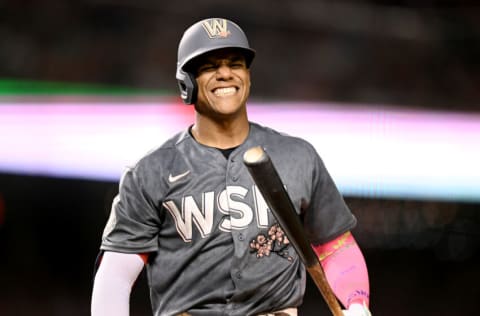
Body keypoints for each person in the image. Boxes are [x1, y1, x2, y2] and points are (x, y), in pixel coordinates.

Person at [91, 18, 371, 316]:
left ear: (248, 76)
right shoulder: (151, 171)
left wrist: (356, 303)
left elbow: (335, 246)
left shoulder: (297, 156)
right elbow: (116, 276)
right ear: (186, 82)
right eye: (210, 66)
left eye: (235, 63)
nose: (225, 73)